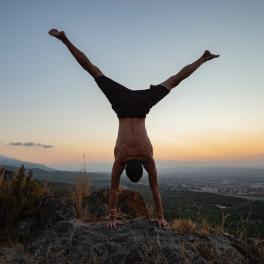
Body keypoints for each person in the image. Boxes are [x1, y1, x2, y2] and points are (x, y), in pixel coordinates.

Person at [49, 29, 219, 228]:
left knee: (174, 81)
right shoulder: (120, 158)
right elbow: (115, 190)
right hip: (121, 104)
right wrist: (112, 218)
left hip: (141, 105)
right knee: (94, 71)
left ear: (142, 167)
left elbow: (154, 188)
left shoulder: (147, 156)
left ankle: (203, 58)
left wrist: (161, 216)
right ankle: (65, 40)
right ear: (125, 169)